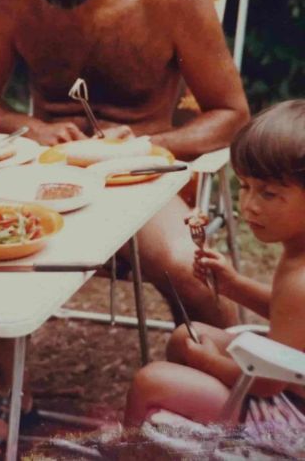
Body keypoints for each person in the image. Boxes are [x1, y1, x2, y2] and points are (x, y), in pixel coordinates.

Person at [0, 0, 250, 457]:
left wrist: (147, 144)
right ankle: (20, 400)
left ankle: (247, 401)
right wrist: (31, 126)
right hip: (44, 174)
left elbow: (232, 114)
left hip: (142, 172)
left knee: (178, 261)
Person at [124, 100, 305, 426]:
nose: (249, 206)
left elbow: (268, 381)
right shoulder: (298, 254)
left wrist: (210, 363)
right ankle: (189, 437)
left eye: (268, 194)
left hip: (291, 417)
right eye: (246, 187)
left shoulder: (301, 282)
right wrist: (234, 286)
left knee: (150, 381)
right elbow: (288, 315)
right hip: (288, 377)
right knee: (184, 337)